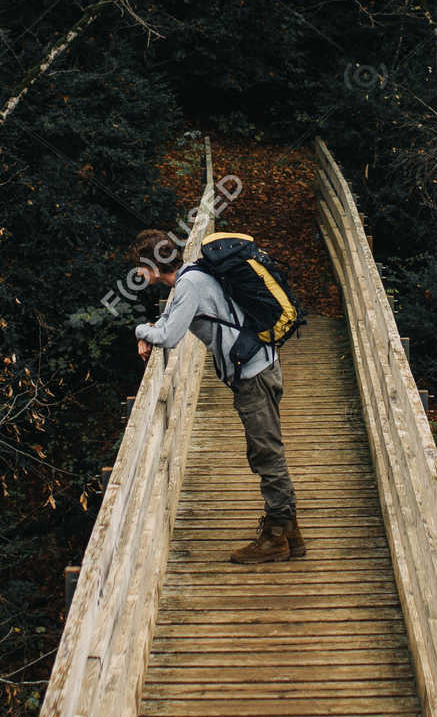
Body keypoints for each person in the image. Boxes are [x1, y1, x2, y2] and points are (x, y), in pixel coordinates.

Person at [129, 227, 305, 564]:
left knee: (266, 454)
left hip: (254, 374)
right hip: (259, 366)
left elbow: (169, 334)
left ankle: (276, 537)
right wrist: (152, 331)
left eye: (139, 267)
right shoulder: (192, 275)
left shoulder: (190, 285)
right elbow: (170, 317)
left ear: (152, 267)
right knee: (266, 450)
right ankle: (290, 534)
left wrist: (141, 332)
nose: (137, 275)